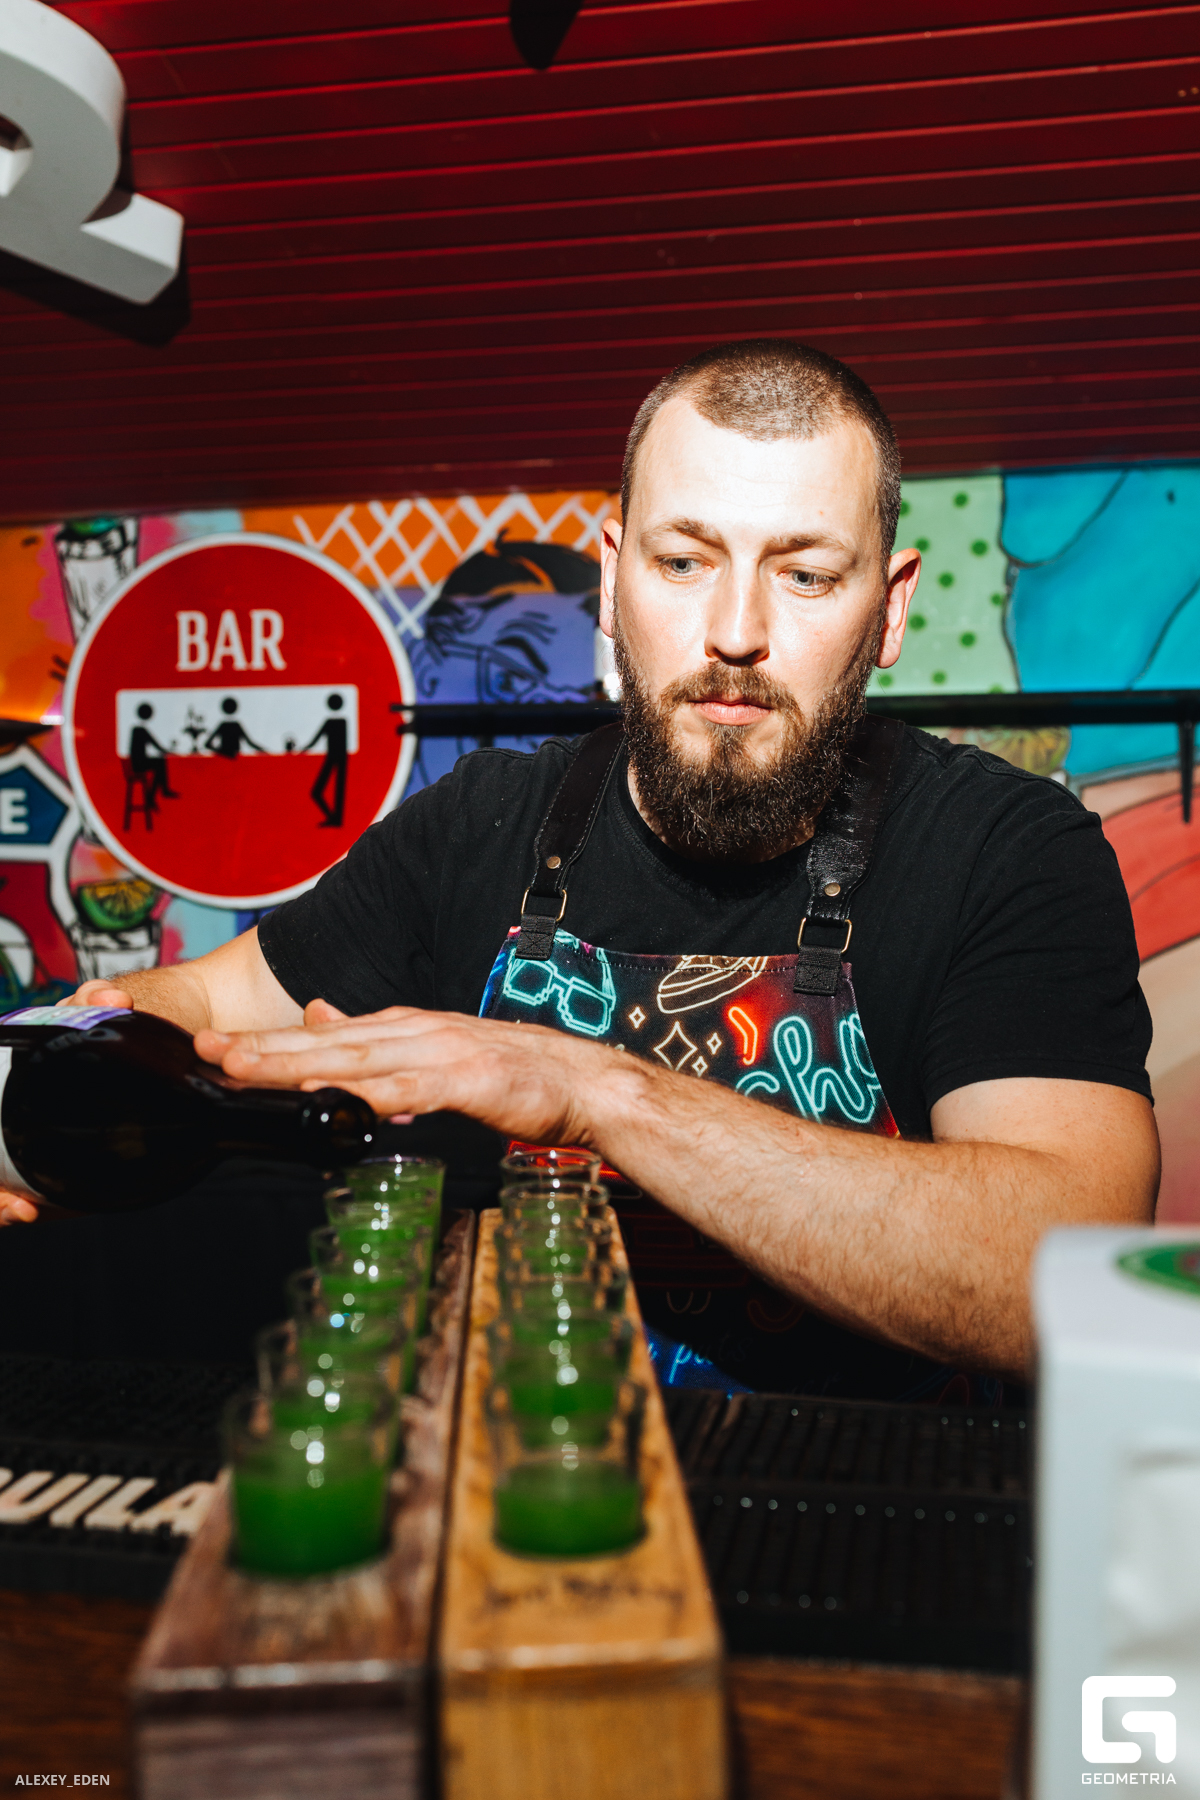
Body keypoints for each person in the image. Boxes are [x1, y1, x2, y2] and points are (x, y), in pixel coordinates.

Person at [6, 340, 1157, 1400]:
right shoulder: (482, 824)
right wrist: (50, 1070)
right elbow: (200, 1003)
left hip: (856, 1516)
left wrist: (595, 1092)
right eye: (683, 561)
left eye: (805, 574)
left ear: (890, 608)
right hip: (500, 1504)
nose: (736, 631)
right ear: (611, 580)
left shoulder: (1007, 850)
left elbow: (1064, 1276)